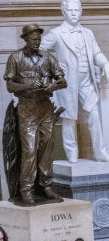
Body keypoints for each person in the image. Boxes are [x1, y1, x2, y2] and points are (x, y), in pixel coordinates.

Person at [39, 0, 109, 163]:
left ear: (81, 12)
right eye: (70, 10)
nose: (74, 13)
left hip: (86, 80)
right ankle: (71, 152)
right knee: (69, 116)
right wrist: (54, 69)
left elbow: (96, 53)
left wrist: (106, 64)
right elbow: (39, 51)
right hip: (67, 81)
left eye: (77, 10)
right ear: (64, 12)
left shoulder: (88, 33)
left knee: (94, 114)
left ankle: (100, 152)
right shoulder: (57, 33)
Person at [3, 24, 67, 205]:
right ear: (25, 39)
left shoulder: (48, 58)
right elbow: (10, 86)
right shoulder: (15, 58)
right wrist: (27, 86)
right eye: (33, 39)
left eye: (39, 39)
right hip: (27, 110)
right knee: (30, 150)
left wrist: (52, 86)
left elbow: (63, 81)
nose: (37, 42)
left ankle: (46, 186)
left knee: (47, 149)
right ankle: (26, 189)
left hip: (45, 108)